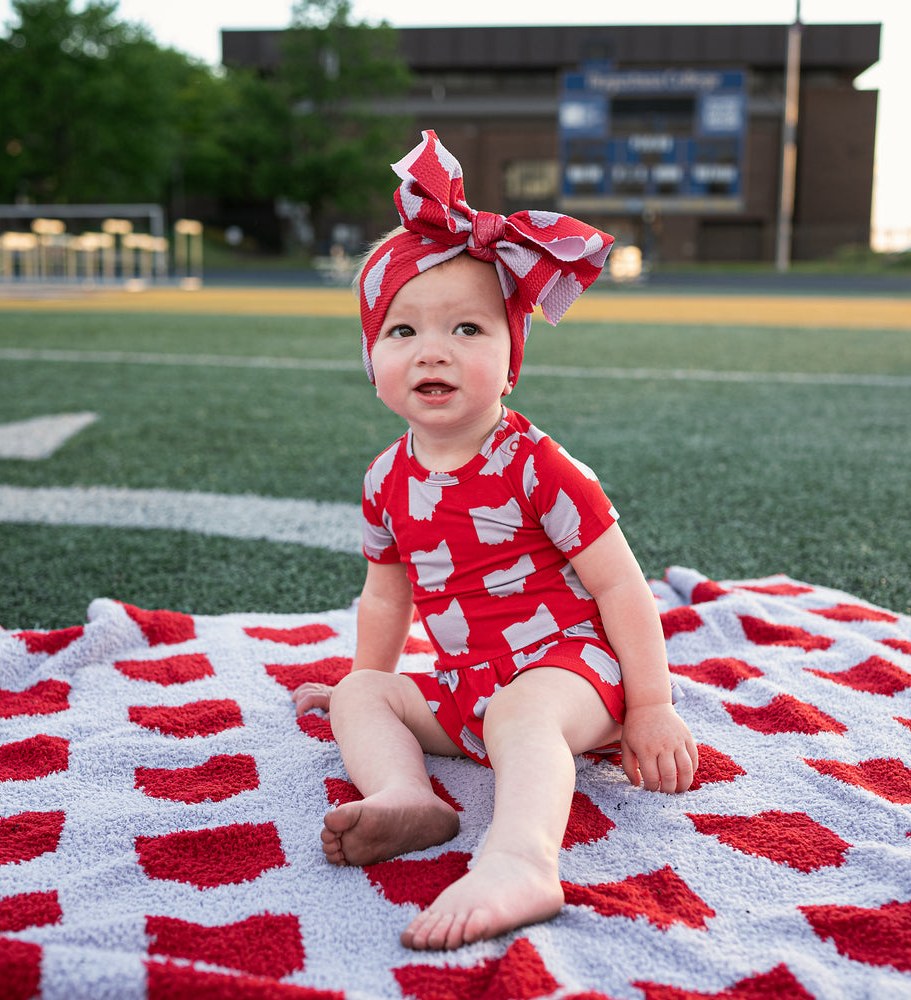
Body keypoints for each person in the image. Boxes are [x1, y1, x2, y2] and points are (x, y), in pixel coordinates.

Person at [293, 130, 697, 952]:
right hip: (465, 687)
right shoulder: (385, 478)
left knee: (522, 711)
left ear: (513, 356)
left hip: (573, 673)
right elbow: (386, 597)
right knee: (363, 694)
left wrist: (652, 705)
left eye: (468, 330)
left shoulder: (537, 465)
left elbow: (621, 585)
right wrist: (365, 677)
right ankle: (409, 798)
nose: (432, 351)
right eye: (401, 332)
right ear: (371, 357)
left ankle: (521, 862)